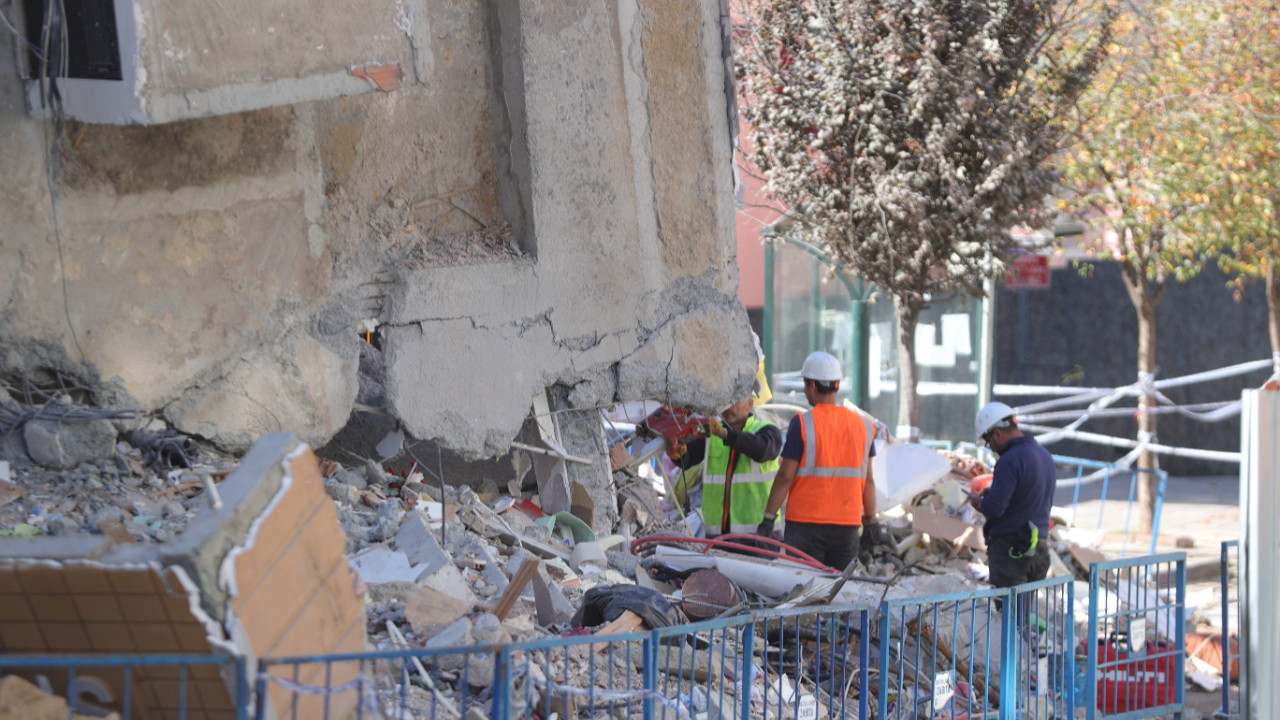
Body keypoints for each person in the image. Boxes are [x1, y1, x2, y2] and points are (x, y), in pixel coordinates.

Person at [757, 351, 877, 570]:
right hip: (847, 527)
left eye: (805, 384)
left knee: (805, 590)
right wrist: (871, 520)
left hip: (805, 527)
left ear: (812, 386)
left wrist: (768, 518)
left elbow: (785, 476)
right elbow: (868, 481)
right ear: (836, 385)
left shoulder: (803, 423)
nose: (804, 390)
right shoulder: (864, 426)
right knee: (839, 593)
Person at [969, 401, 1055, 588]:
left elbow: (995, 508)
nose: (991, 448)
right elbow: (1029, 496)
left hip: (1011, 550)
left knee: (1008, 613)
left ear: (997, 434)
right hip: (1038, 548)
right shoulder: (1044, 455)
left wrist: (979, 503)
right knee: (1022, 612)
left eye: (989, 443)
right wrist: (994, 492)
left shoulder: (1009, 460)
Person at [671, 397, 782, 537]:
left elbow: (761, 449)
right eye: (725, 402)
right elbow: (688, 458)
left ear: (749, 404)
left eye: (735, 402)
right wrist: (676, 453)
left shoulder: (767, 431)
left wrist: (725, 434)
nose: (729, 407)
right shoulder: (712, 432)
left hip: (760, 534)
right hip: (718, 536)